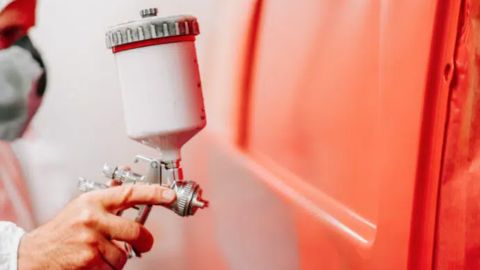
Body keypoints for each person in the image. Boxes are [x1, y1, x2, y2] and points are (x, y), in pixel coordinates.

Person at [0, 0, 176, 269]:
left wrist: (78, 240)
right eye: (7, 33)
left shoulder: (13, 143)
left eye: (25, 33)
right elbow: (28, 248)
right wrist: (21, 253)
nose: (26, 54)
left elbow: (37, 222)